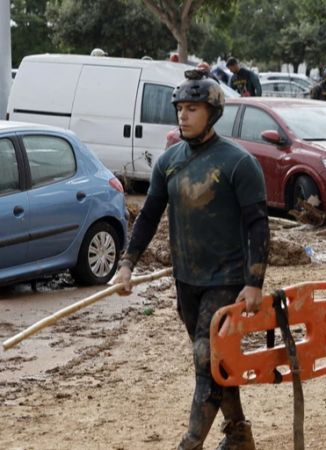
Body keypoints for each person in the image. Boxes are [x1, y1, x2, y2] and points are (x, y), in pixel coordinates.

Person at [111, 70, 269, 450]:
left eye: (192, 108)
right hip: (187, 281)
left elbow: (257, 226)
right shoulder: (168, 162)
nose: (183, 116)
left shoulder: (238, 163)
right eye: (180, 108)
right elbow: (148, 216)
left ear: (211, 112)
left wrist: (254, 282)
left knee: (205, 360)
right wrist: (127, 263)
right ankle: (239, 433)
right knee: (218, 363)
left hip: (227, 281)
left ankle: (191, 442)